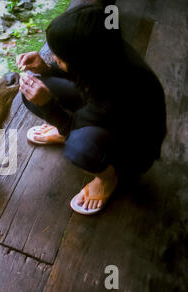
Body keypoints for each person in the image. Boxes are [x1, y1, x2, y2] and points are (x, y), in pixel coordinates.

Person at [16, 4, 166, 215]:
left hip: (132, 149)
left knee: (78, 147)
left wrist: (50, 108)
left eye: (59, 55)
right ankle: (64, 131)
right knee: (33, 89)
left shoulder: (122, 90)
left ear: (80, 59)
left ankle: (107, 178)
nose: (54, 57)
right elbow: (82, 77)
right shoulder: (103, 56)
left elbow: (89, 116)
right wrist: (47, 68)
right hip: (104, 114)